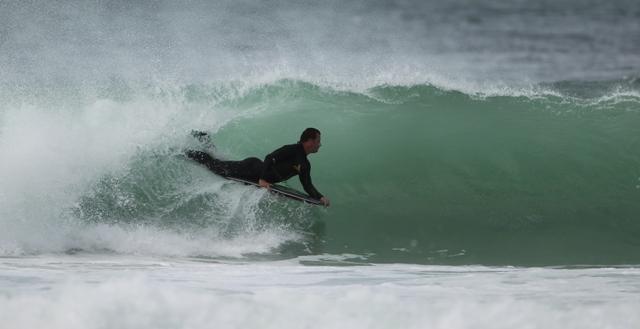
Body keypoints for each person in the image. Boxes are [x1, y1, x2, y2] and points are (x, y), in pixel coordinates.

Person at [185, 128, 330, 206]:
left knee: (219, 164)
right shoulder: (293, 149)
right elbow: (269, 158)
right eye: (318, 141)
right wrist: (262, 179)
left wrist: (320, 197)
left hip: (255, 173)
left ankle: (205, 141)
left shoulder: (305, 164)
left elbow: (307, 185)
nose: (320, 145)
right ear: (309, 141)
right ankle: (186, 151)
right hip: (252, 168)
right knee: (216, 167)